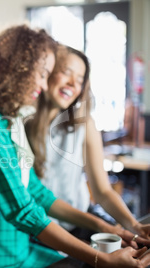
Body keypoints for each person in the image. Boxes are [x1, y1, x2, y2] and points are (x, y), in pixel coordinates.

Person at [0, 24, 150, 267]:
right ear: (18, 67)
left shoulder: (7, 120)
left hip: (21, 251)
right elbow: (21, 210)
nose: (43, 85)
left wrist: (110, 228)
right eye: (43, 73)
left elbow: (36, 192)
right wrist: (102, 259)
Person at [25, 45, 150, 241]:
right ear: (46, 72)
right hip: (36, 229)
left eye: (80, 80)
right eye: (66, 73)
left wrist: (133, 225)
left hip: (80, 221)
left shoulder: (84, 124)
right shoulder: (20, 124)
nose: (73, 84)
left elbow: (102, 191)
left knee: (128, 247)